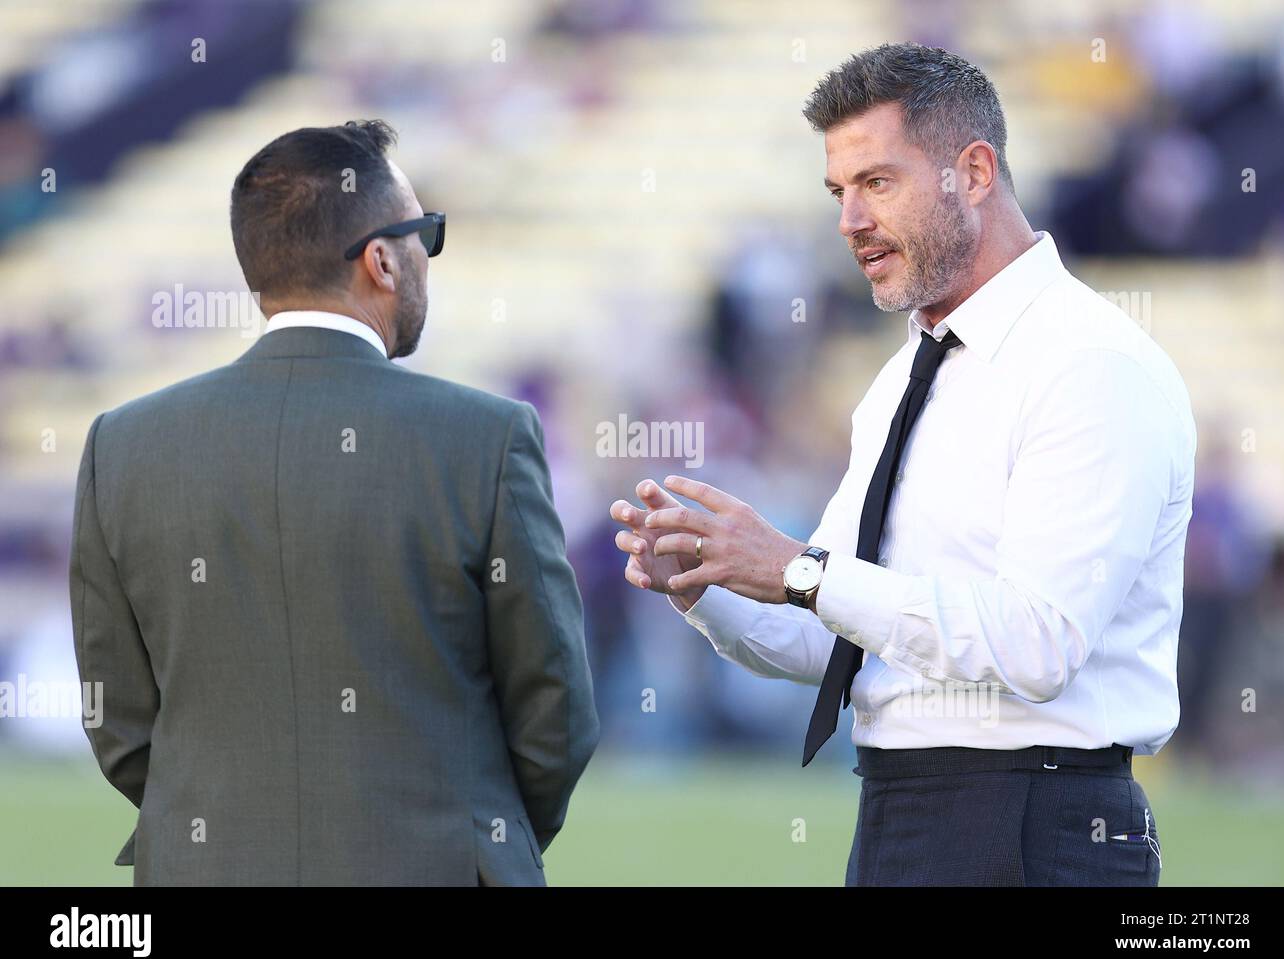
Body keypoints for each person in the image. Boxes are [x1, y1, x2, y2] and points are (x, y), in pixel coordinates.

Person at [611, 44, 1194, 886]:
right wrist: (707, 588)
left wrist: (802, 569)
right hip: (898, 810)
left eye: (877, 183)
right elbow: (839, 640)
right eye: (837, 192)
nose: (848, 219)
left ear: (975, 171)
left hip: (1040, 818)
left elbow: (1038, 643)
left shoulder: (1092, 362)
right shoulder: (903, 373)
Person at [70, 120, 598, 885]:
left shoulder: (123, 444)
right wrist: (478, 833)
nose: (427, 257)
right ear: (380, 259)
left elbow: (114, 717)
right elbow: (556, 709)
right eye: (425, 234)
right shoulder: (486, 438)